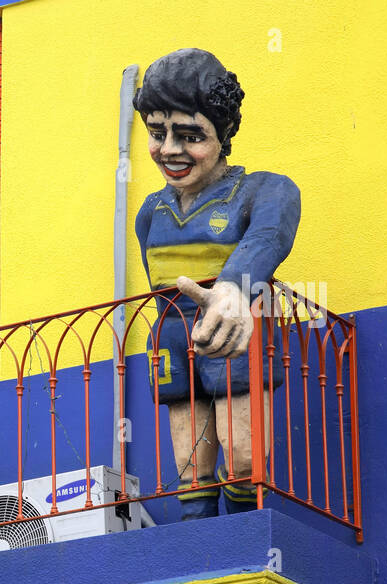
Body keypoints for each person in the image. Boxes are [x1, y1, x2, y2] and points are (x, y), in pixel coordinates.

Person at [133, 48, 300, 518]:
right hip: (171, 335)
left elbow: (269, 235)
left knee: (243, 454)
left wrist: (231, 289)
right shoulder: (150, 211)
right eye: (157, 133)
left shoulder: (266, 188)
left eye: (189, 136)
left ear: (223, 134)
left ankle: (245, 532)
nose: (169, 150)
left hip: (237, 329)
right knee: (190, 463)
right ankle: (199, 538)